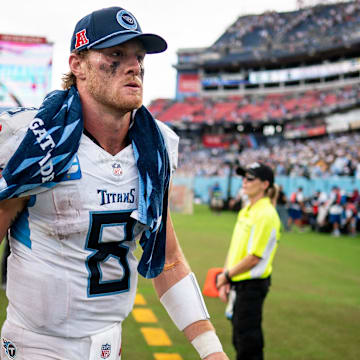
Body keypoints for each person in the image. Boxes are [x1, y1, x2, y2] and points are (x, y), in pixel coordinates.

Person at [0, 7, 229, 360]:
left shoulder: (155, 147)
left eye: (138, 57)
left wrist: (212, 352)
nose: (134, 66)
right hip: (34, 346)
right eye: (115, 55)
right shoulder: (33, 141)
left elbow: (167, 260)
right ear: (78, 64)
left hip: (109, 347)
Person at [216, 162, 281, 360]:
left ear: (264, 184)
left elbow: (254, 258)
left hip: (251, 286)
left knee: (248, 345)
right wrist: (227, 276)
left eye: (250, 178)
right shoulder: (247, 210)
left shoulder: (266, 214)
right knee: (240, 339)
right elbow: (235, 248)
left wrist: (226, 275)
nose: (244, 181)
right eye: (243, 177)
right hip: (238, 283)